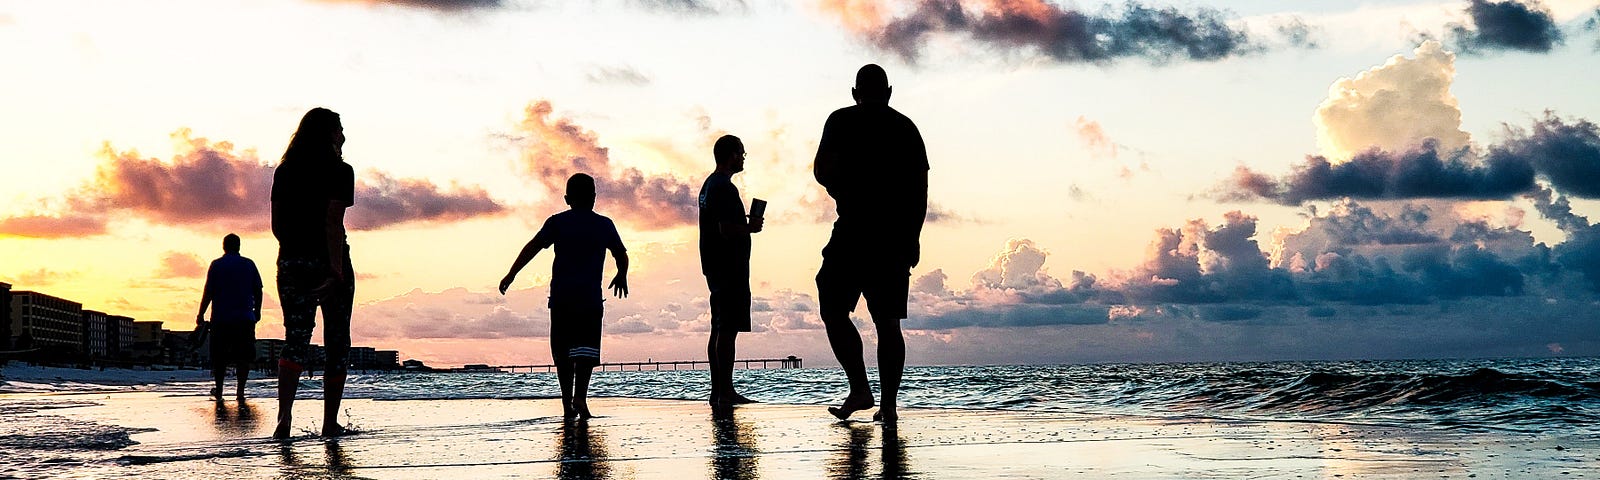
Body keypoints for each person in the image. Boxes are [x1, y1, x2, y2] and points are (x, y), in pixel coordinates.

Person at [813, 64, 929, 422]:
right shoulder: (906, 128)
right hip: (893, 237)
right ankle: (887, 405)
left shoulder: (841, 120)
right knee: (887, 322)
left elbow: (821, 171)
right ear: (889, 91)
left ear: (854, 92)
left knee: (834, 309)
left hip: (854, 229)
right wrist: (914, 237)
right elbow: (920, 192)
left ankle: (861, 387)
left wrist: (843, 185)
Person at [500, 173, 630, 420]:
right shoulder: (604, 224)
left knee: (562, 354)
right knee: (586, 351)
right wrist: (622, 274)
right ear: (594, 197)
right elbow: (621, 254)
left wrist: (512, 273)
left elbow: (532, 247)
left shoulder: (557, 223)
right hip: (590, 299)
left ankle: (566, 403)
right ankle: (580, 397)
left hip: (562, 299)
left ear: (567, 198)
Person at [270, 107, 356, 439]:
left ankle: (284, 419)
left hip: (291, 262)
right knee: (336, 342)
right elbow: (332, 222)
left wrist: (295, 255)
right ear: (329, 134)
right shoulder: (341, 171)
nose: (344, 136)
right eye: (340, 130)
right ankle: (329, 422)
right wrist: (334, 270)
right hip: (330, 263)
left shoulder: (285, 171)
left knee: (296, 338)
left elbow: (277, 226)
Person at [699, 135, 764, 407]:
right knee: (726, 329)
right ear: (731, 155)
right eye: (741, 153)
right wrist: (750, 227)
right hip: (728, 266)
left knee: (719, 327)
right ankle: (725, 392)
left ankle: (719, 391)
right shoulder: (724, 187)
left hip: (715, 264)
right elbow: (725, 229)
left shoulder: (709, 185)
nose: (744, 157)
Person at [196, 233, 263, 401]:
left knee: (219, 357)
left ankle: (219, 390)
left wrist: (201, 313)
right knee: (244, 357)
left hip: (221, 319)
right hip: (245, 318)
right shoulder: (249, 264)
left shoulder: (216, 265)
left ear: (224, 246)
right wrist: (258, 311)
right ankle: (240, 391)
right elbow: (258, 290)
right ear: (239, 246)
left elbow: (208, 291)